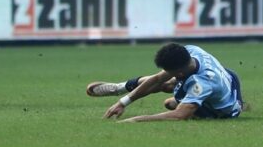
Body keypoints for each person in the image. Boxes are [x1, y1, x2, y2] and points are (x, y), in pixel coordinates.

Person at [90, 43, 244, 122]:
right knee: (166, 82)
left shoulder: (201, 84)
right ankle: (120, 87)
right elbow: (157, 79)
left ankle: (187, 101)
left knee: (171, 103)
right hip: (229, 78)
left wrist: (137, 119)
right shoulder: (191, 51)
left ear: (181, 73)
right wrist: (122, 102)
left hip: (226, 110)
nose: (164, 73)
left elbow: (179, 115)